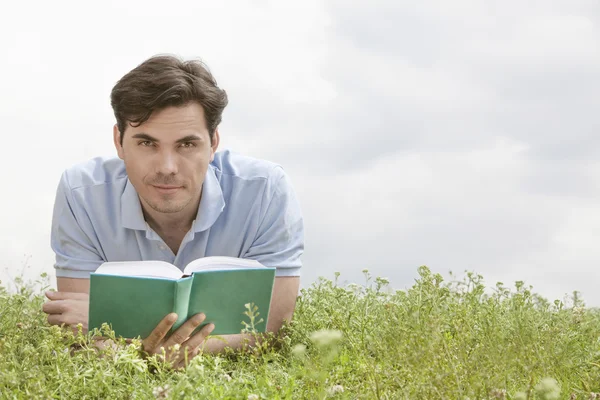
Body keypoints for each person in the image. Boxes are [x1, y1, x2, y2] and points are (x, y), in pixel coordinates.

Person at [42, 54, 304, 369]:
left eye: (187, 145)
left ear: (213, 143)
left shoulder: (265, 190)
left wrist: (140, 346)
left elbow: (274, 329)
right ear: (119, 142)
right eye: (147, 144)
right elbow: (78, 330)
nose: (167, 168)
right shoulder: (80, 194)